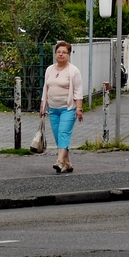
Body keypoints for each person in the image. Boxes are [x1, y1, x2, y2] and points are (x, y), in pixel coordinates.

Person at [40, 41, 84, 174]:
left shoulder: (73, 71)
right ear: (55, 54)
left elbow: (78, 90)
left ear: (69, 55)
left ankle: (59, 162)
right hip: (53, 109)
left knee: (64, 133)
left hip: (68, 108)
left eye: (64, 52)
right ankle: (68, 163)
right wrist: (43, 106)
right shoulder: (50, 69)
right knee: (59, 137)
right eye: (59, 52)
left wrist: (79, 108)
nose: (61, 54)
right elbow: (46, 88)